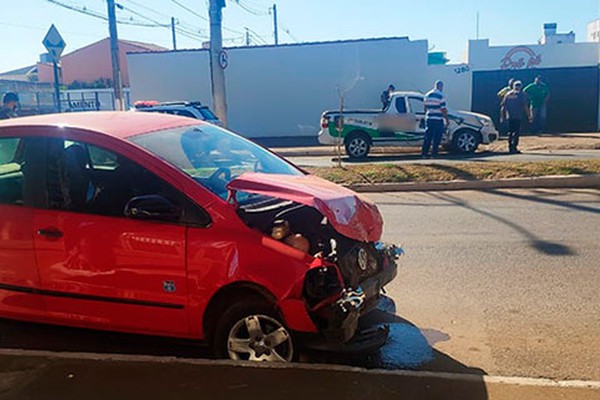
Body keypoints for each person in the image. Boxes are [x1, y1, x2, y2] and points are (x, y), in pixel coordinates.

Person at [500, 81, 531, 154]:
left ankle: (510, 147)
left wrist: (502, 116)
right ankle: (514, 147)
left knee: (510, 132)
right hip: (518, 116)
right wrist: (528, 115)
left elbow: (503, 106)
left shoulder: (508, 94)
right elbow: (525, 106)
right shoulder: (521, 94)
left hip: (509, 116)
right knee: (516, 132)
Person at [421, 80, 449, 159]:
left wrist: (426, 115)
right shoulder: (441, 95)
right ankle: (434, 154)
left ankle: (424, 153)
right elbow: (443, 109)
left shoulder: (427, 95)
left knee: (428, 137)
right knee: (437, 137)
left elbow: (425, 107)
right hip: (438, 119)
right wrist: (446, 120)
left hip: (429, 118)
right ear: (440, 86)